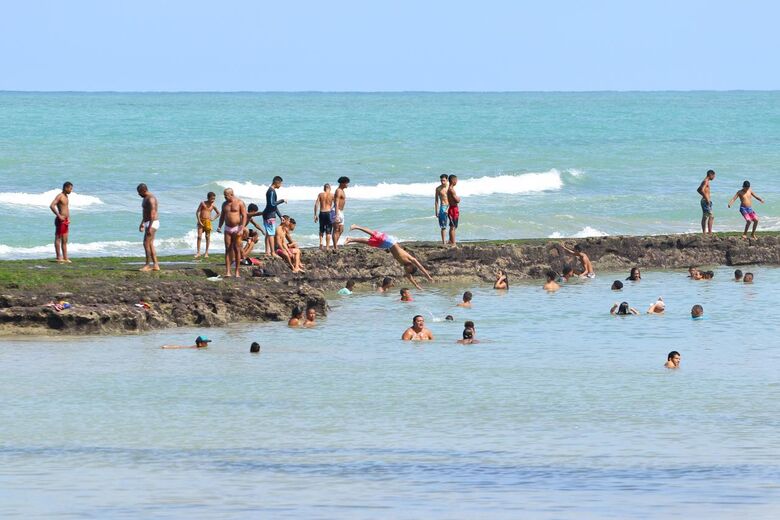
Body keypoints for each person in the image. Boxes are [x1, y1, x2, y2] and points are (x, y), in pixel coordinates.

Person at [345, 225, 433, 290]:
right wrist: (428, 276)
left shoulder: (405, 265)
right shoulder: (411, 259)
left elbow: (409, 277)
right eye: (409, 270)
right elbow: (421, 267)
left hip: (387, 246)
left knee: (370, 242)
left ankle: (351, 239)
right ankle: (357, 226)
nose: (407, 270)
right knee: (374, 234)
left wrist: (416, 285)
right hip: (390, 242)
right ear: (411, 267)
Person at [216, 188, 248, 278]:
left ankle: (237, 272)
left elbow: (244, 215)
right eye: (224, 195)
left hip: (237, 228)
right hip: (227, 229)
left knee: (237, 249)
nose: (225, 197)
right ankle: (228, 272)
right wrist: (219, 226)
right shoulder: (224, 204)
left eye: (226, 195)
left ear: (232, 194)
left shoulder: (240, 202)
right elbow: (222, 216)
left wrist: (242, 228)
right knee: (227, 249)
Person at [137, 183, 160, 272]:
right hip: (148, 222)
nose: (138, 194)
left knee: (145, 243)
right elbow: (146, 212)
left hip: (152, 223)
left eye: (139, 192)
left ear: (144, 190)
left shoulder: (151, 199)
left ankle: (147, 265)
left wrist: (149, 227)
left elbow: (152, 214)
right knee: (150, 244)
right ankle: (156, 265)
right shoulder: (145, 198)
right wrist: (142, 223)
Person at [261, 176, 286, 255]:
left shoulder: (271, 190)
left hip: (268, 214)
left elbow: (274, 206)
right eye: (280, 184)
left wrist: (280, 216)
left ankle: (267, 252)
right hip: (269, 215)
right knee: (271, 234)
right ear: (277, 182)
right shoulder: (271, 191)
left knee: (268, 233)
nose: (281, 185)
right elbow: (272, 204)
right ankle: (272, 252)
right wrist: (282, 200)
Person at [50, 181, 73, 263]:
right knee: (58, 238)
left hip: (66, 220)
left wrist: (68, 218)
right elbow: (52, 206)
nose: (71, 190)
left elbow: (66, 208)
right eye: (70, 188)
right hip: (60, 220)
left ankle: (65, 258)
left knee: (65, 239)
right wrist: (59, 215)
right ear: (66, 188)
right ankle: (58, 257)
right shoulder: (60, 196)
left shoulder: (66, 196)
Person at [195, 191, 220, 259]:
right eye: (212, 199)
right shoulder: (203, 203)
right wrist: (199, 221)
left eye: (214, 199)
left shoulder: (213, 205)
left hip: (208, 222)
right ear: (208, 198)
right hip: (201, 221)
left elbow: (218, 213)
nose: (213, 200)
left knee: (207, 236)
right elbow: (197, 212)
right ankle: (198, 252)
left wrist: (213, 218)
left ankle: (206, 252)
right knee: (199, 236)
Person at [314, 183, 335, 250]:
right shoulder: (332, 195)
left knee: (321, 229)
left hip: (322, 213)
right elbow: (336, 204)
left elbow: (316, 205)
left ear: (324, 188)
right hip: (329, 213)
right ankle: (327, 246)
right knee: (328, 231)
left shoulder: (320, 194)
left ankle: (321, 243)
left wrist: (315, 215)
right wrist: (334, 212)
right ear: (330, 188)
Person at [331, 176, 350, 249]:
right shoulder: (338, 190)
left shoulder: (342, 190)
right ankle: (335, 247)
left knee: (341, 230)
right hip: (336, 211)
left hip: (341, 211)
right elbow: (336, 202)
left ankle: (335, 245)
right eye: (347, 183)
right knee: (336, 229)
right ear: (342, 183)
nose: (347, 184)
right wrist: (336, 215)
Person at [697, 169, 716, 235]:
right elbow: (701, 190)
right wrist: (706, 198)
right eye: (713, 176)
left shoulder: (705, 181)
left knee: (705, 217)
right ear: (710, 175)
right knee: (711, 216)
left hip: (705, 200)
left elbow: (698, 190)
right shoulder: (706, 181)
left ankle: (704, 232)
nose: (714, 177)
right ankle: (709, 232)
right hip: (705, 201)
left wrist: (704, 197)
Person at [434, 174, 449, 244]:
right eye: (441, 181)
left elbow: (452, 199)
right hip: (443, 207)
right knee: (443, 226)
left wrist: (449, 208)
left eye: (444, 180)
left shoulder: (449, 188)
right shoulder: (438, 189)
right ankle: (444, 242)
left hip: (450, 206)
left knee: (452, 225)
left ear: (447, 180)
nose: (442, 182)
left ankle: (451, 240)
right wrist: (436, 211)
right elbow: (436, 201)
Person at [446, 174, 460, 245]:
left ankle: (450, 240)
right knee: (453, 227)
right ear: (453, 181)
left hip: (453, 208)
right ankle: (453, 243)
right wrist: (459, 198)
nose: (456, 182)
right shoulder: (451, 190)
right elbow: (457, 200)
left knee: (453, 226)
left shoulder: (449, 189)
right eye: (456, 180)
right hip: (453, 209)